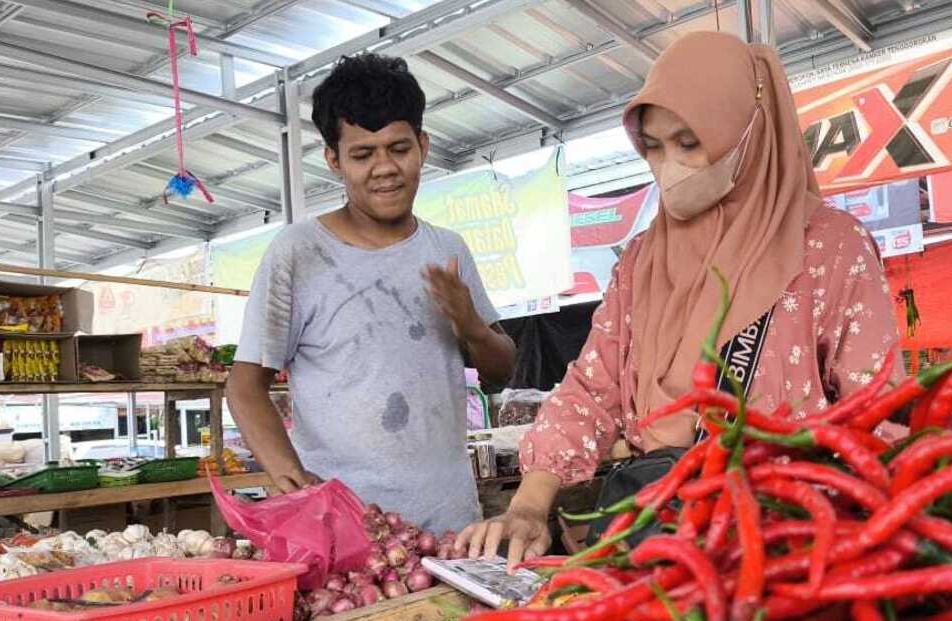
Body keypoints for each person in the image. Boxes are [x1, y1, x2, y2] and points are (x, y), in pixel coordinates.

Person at [457, 31, 899, 564]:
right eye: (654, 146)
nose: (670, 165)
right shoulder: (642, 261)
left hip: (797, 544)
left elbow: (880, 409)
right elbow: (591, 390)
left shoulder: (829, 246)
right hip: (661, 532)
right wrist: (528, 505)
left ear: (747, 129)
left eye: (689, 143)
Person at [227, 53, 516, 534]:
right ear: (333, 160)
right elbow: (244, 385)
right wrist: (290, 479)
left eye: (399, 148)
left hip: (449, 525)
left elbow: (500, 371)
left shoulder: (447, 249)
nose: (385, 168)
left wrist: (472, 328)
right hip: (344, 529)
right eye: (363, 154)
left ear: (422, 146)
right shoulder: (298, 253)